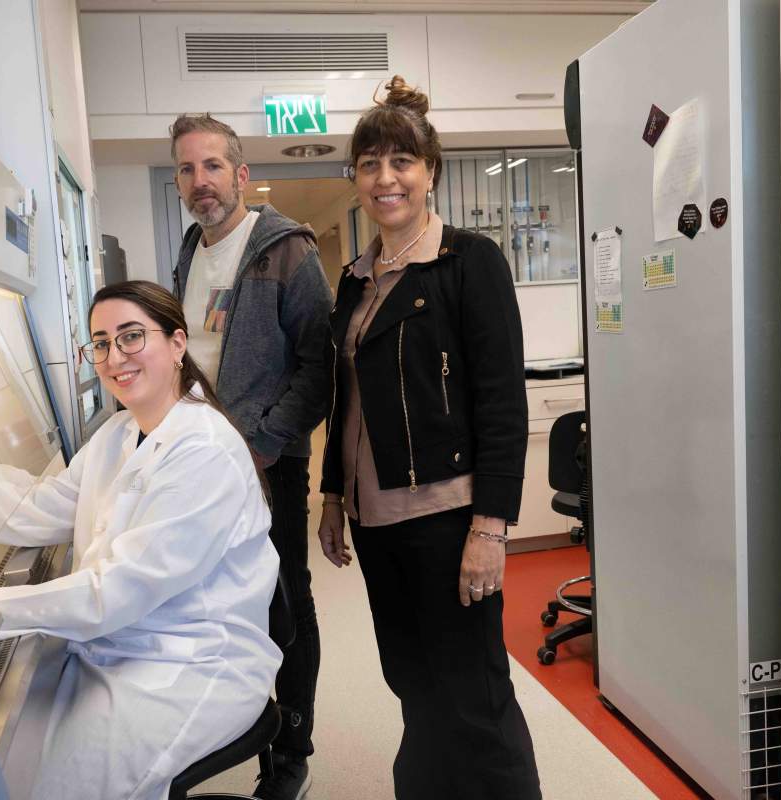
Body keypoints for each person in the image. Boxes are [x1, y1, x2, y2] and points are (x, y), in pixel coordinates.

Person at [0, 281, 282, 800]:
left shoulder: (205, 450)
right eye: (100, 343)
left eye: (130, 337)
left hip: (189, 663)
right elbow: (40, 505)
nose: (113, 357)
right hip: (124, 646)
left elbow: (114, 591)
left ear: (176, 344)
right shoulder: (120, 433)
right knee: (23, 752)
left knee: (58, 782)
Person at [315, 76, 542, 799]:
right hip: (376, 522)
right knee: (412, 684)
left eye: (401, 162)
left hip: (448, 519)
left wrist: (491, 529)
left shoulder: (467, 263)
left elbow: (503, 402)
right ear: (355, 178)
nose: (386, 178)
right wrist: (328, 493)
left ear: (430, 171)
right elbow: (344, 399)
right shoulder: (354, 280)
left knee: (474, 696)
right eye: (370, 163)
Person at [170, 113, 332, 799]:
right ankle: (230, 724)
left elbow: (319, 367)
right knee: (217, 599)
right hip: (199, 466)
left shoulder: (288, 251)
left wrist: (263, 441)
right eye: (186, 169)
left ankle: (292, 746)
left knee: (286, 599)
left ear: (240, 174)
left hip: (268, 464)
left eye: (212, 167)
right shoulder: (188, 250)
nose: (200, 182)